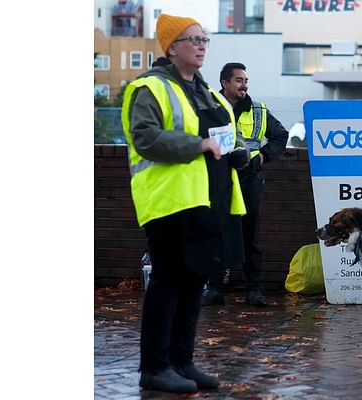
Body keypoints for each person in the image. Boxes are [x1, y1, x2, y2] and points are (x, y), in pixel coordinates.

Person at [122, 13, 250, 393]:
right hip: (169, 201)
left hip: (207, 201)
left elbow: (222, 138)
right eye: (192, 39)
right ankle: (155, 367)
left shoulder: (207, 93)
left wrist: (238, 152)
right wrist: (198, 146)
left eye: (204, 39)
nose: (201, 45)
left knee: (194, 283)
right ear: (171, 46)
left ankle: (182, 362)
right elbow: (145, 138)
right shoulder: (150, 88)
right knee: (168, 282)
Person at [201, 63, 289, 307]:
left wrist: (262, 156)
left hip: (248, 179)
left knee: (251, 236)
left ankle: (254, 289)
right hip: (219, 180)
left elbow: (281, 135)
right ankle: (215, 288)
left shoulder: (258, 110)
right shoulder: (210, 109)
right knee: (218, 233)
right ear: (224, 83)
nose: (244, 85)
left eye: (246, 80)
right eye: (238, 80)